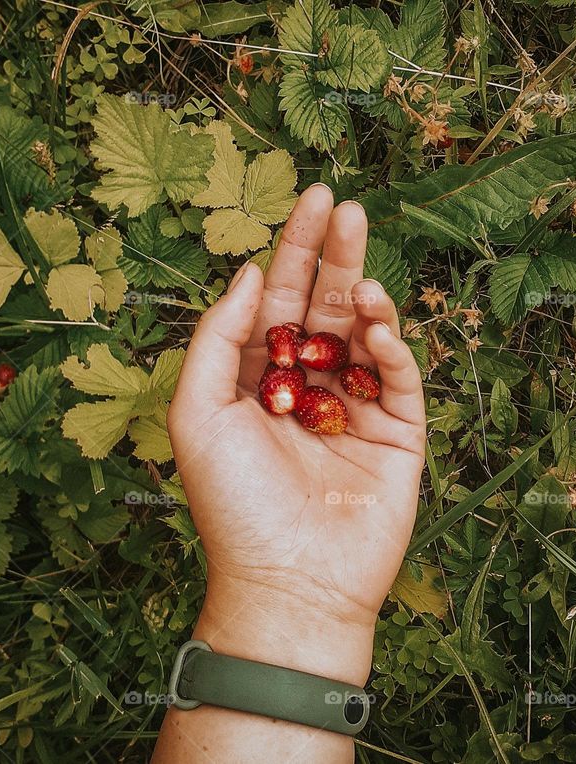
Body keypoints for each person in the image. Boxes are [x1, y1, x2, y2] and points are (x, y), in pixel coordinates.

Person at [154, 184, 426, 762]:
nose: (292, 359)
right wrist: (292, 604)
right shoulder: (293, 372)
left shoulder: (303, 372)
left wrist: (290, 605)